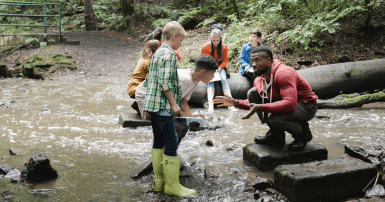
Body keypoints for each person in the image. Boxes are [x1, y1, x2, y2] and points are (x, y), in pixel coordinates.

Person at [214, 46, 318, 151]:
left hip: (306, 106)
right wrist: (236, 103)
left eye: (257, 60)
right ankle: (276, 135)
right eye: (252, 61)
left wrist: (261, 107)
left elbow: (290, 104)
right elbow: (258, 101)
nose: (253, 64)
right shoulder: (262, 77)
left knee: (274, 117)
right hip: (287, 103)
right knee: (253, 93)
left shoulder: (284, 73)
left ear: (268, 60)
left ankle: (302, 133)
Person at [143, 21, 196, 196]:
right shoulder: (169, 55)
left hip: (153, 105)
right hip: (163, 106)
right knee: (171, 142)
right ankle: (172, 186)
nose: (181, 43)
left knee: (158, 141)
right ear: (174, 37)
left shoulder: (157, 53)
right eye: (181, 39)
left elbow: (150, 80)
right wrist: (174, 104)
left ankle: (159, 182)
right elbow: (164, 82)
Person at [136, 54, 218, 120]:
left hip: (162, 97)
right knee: (154, 118)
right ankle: (141, 108)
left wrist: (191, 118)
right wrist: (191, 117)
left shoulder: (195, 81)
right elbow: (171, 107)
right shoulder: (183, 79)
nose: (213, 77)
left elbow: (184, 102)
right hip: (145, 92)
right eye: (212, 73)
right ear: (203, 72)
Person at [201, 28, 236, 112]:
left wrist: (219, 68)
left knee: (223, 79)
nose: (215, 42)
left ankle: (230, 103)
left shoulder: (224, 47)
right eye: (213, 40)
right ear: (210, 38)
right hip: (209, 68)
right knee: (211, 81)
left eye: (217, 40)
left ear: (220, 39)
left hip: (220, 67)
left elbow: (225, 60)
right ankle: (210, 104)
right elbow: (202, 59)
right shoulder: (205, 47)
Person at [126, 40, 161, 113]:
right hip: (136, 88)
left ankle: (139, 104)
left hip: (132, 87)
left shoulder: (144, 58)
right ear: (155, 50)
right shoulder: (149, 62)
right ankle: (139, 105)